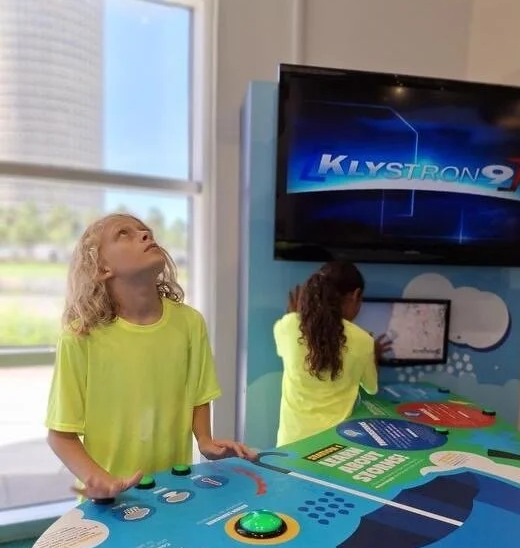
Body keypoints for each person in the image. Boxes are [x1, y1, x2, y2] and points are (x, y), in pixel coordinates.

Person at [46, 212, 255, 500]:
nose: (146, 235)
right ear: (101, 267)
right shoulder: (80, 337)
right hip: (111, 500)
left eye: (145, 231)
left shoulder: (190, 323)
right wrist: (101, 480)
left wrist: (205, 440)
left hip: (175, 491)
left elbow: (198, 395)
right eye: (124, 234)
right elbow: (60, 436)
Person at [273, 260, 391, 446]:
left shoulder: (288, 326)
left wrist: (293, 317)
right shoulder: (363, 341)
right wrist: (373, 352)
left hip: (290, 444)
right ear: (356, 295)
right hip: (336, 447)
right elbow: (371, 388)